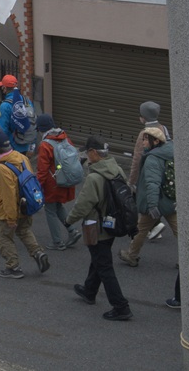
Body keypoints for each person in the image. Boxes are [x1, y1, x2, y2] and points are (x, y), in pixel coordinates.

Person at [65, 136, 133, 321]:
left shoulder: (94, 177)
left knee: (104, 266)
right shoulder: (117, 170)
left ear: (94, 152)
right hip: (113, 224)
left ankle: (121, 306)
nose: (87, 156)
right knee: (99, 259)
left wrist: (69, 220)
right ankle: (89, 290)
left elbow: (83, 204)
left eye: (88, 153)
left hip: (96, 226)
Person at [0, 130, 49, 279]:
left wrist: (11, 218)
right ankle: (38, 252)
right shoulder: (21, 157)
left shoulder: (2, 168)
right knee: (24, 230)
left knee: (4, 237)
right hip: (26, 204)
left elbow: (8, 195)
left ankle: (13, 267)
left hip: (10, 210)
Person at [119, 127, 177, 267]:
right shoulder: (169, 152)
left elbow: (152, 183)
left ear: (156, 141)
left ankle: (131, 255)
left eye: (146, 139)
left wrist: (152, 205)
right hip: (169, 200)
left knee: (141, 230)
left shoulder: (153, 158)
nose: (143, 142)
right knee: (180, 232)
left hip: (155, 202)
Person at [36, 113, 82, 250]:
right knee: (58, 206)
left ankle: (57, 242)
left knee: (50, 210)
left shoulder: (45, 145)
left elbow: (42, 170)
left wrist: (37, 186)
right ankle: (72, 230)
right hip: (65, 178)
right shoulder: (64, 137)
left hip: (52, 183)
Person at [128, 101, 170, 240]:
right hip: (162, 170)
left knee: (142, 199)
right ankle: (153, 227)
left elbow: (137, 158)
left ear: (144, 117)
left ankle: (153, 225)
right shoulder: (163, 128)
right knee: (156, 196)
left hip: (147, 171)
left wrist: (132, 181)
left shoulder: (144, 134)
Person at [0, 74, 36, 155]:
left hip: (14, 148)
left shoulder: (5, 106)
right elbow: (32, 121)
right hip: (28, 144)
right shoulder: (26, 101)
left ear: (4, 88)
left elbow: (2, 130)